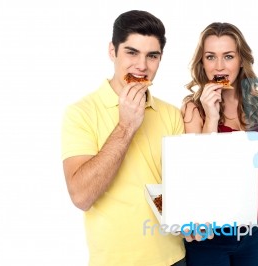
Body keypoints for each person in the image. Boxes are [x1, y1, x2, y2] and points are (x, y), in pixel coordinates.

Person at [61, 10, 186, 266]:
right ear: (112, 51)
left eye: (152, 56)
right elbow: (81, 197)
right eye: (131, 52)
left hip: (174, 259)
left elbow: (183, 190)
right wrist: (126, 126)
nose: (142, 66)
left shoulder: (172, 114)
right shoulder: (80, 113)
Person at [181, 22, 258, 266]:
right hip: (210, 234)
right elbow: (198, 171)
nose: (219, 66)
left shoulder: (253, 101)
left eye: (228, 56)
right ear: (202, 63)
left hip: (252, 228)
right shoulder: (194, 109)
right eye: (211, 57)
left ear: (241, 61)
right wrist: (211, 117)